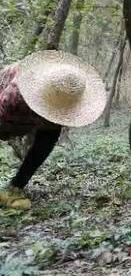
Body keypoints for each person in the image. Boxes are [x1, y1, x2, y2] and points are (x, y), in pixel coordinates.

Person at [0, 51, 107, 209]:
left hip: (33, 113)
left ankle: (17, 185)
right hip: (9, 111)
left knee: (49, 137)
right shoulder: (16, 94)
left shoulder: (67, 91)